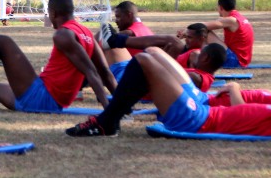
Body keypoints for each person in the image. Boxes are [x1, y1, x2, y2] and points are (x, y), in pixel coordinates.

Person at [0, 0, 117, 112]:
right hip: (49, 99)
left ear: (54, 13)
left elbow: (92, 72)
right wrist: (121, 106)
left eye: (49, 13)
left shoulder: (63, 35)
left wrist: (110, 113)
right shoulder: (87, 33)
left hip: (42, 97)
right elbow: (105, 72)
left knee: (0, 42)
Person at [66, 47, 271, 137]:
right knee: (151, 54)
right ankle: (109, 120)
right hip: (203, 109)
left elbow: (242, 111)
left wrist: (234, 88)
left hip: (198, 120)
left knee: (144, 61)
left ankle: (107, 121)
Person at [99, 1, 153, 81]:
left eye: (118, 17)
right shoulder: (145, 29)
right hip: (149, 72)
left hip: (137, 77)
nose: (116, 20)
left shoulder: (128, 33)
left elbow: (98, 48)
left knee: (105, 41)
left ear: (129, 15)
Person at [203, 0, 254, 68]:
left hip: (235, 61)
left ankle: (198, 58)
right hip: (242, 60)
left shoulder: (231, 20)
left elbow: (202, 26)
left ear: (220, 7)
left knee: (203, 31)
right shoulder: (240, 18)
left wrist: (186, 31)